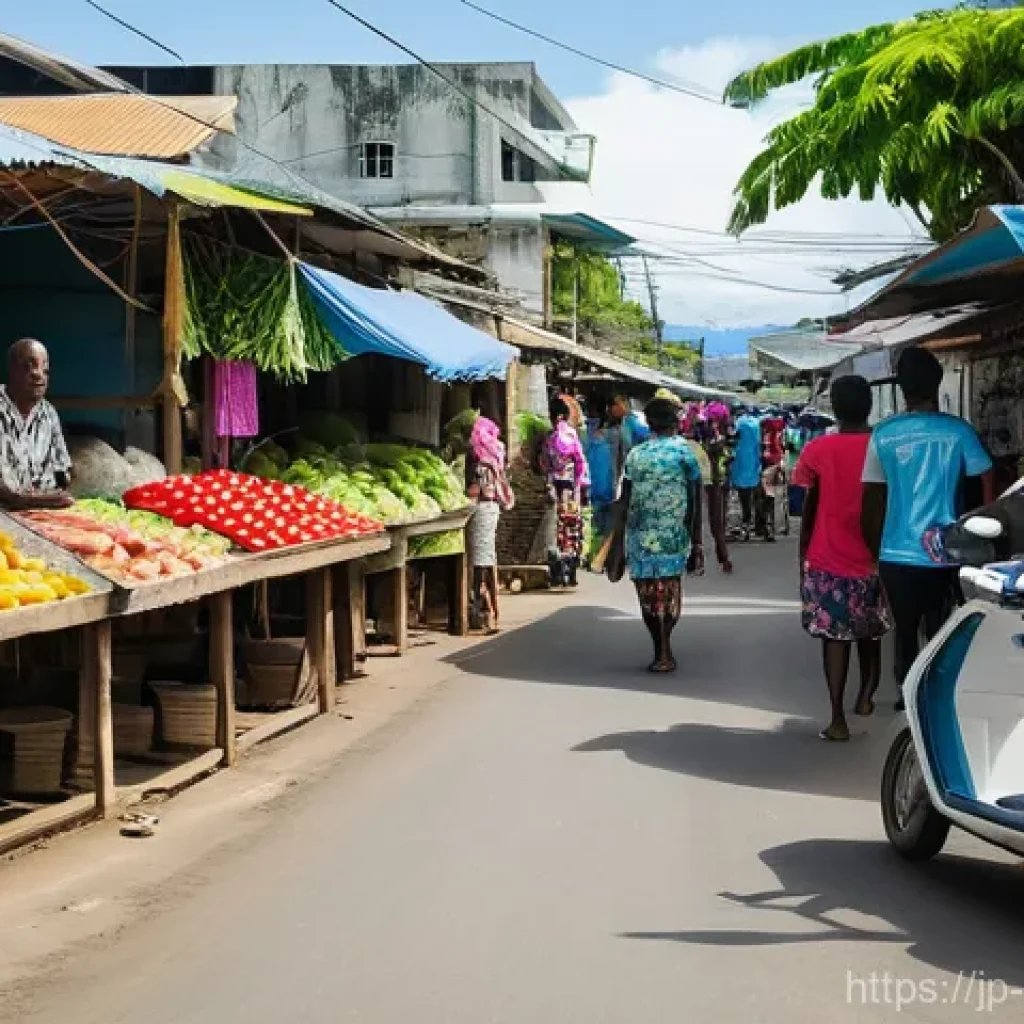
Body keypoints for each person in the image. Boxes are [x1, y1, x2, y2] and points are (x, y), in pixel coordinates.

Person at [861, 347, 995, 711]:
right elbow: (985, 483)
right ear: (937, 383)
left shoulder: (884, 435)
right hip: (947, 552)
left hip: (895, 554)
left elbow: (872, 500)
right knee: (940, 630)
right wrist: (982, 532)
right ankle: (934, 702)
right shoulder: (959, 432)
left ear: (901, 387)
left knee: (904, 634)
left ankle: (906, 702)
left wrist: (874, 552)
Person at [794, 376, 892, 741]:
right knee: (871, 631)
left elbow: (809, 508)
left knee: (834, 638)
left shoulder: (818, 450)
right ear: (870, 404)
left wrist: (802, 555)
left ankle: (837, 717)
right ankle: (865, 697)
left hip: (827, 556)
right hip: (876, 555)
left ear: (833, 406)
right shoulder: (883, 445)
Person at [621, 398, 704, 673]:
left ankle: (660, 649)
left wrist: (616, 541)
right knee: (669, 593)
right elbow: (694, 499)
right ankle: (665, 647)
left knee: (647, 595)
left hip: (639, 535)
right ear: (675, 422)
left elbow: (625, 498)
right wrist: (697, 540)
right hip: (673, 535)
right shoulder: (684, 452)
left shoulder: (635, 455)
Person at [0, 339, 73, 511]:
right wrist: (34, 501)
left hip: (40, 514)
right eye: (28, 366)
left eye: (44, 369)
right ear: (12, 370)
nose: (38, 374)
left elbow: (62, 471)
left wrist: (64, 486)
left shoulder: (48, 413)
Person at [465, 415, 514, 633]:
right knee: (485, 556)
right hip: (491, 510)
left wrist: (466, 491)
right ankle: (488, 607)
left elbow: (477, 491)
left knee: (480, 558)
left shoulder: (482, 463)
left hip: (484, 510)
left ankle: (479, 605)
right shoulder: (496, 453)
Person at [539, 397, 588, 587]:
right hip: (572, 490)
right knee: (572, 530)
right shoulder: (573, 436)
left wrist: (550, 481)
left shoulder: (550, 439)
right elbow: (580, 463)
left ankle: (558, 574)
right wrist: (579, 485)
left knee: (557, 532)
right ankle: (572, 573)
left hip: (555, 491)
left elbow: (544, 465)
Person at [730, 405, 761, 541]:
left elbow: (733, 438)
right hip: (753, 461)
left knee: (742, 498)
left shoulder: (739, 423)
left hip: (740, 461)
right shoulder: (755, 423)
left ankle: (745, 525)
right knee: (752, 496)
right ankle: (753, 524)